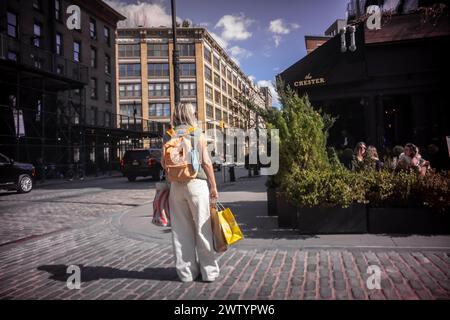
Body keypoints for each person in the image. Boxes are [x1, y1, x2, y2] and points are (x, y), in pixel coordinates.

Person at [161, 103, 220, 283]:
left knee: (180, 232)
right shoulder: (197, 133)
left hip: (176, 188)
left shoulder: (169, 134)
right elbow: (206, 162)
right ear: (190, 114)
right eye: (195, 112)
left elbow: (164, 164)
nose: (196, 114)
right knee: (203, 229)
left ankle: (186, 273)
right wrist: (213, 186)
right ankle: (209, 272)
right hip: (196, 184)